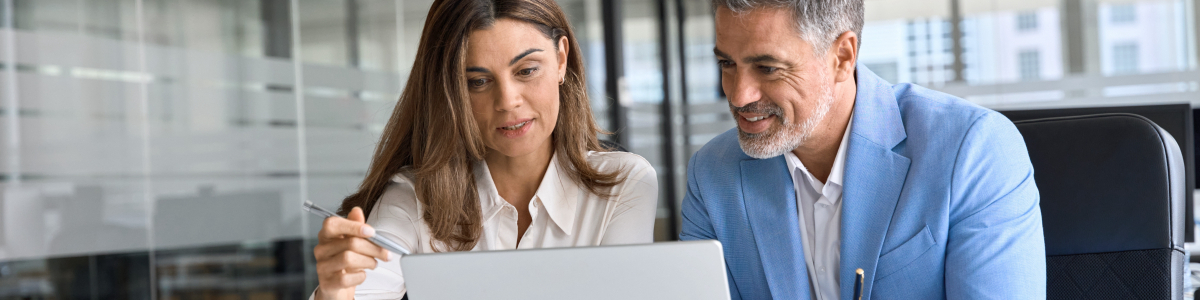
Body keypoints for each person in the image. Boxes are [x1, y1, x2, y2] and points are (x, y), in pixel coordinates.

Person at [680, 1, 1046, 299]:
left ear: (842, 56)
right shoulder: (712, 174)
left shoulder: (973, 149)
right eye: (727, 63)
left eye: (768, 68)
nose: (739, 94)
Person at [309, 0, 659, 299]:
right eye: (478, 82)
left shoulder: (625, 184)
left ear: (561, 60)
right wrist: (335, 291)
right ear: (452, 92)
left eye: (526, 70)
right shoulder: (414, 196)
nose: (507, 102)